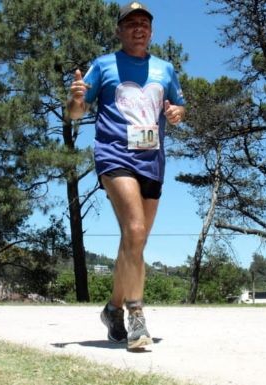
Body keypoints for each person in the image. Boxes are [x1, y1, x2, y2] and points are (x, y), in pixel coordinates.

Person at [67, 1, 186, 350]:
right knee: (134, 231)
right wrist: (75, 99)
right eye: (131, 23)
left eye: (144, 23)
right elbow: (76, 112)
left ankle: (112, 308)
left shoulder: (165, 69)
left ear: (151, 31)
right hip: (114, 156)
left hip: (153, 161)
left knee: (135, 243)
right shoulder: (103, 66)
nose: (138, 28)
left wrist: (178, 112)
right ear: (119, 30)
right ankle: (136, 317)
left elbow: (177, 106)